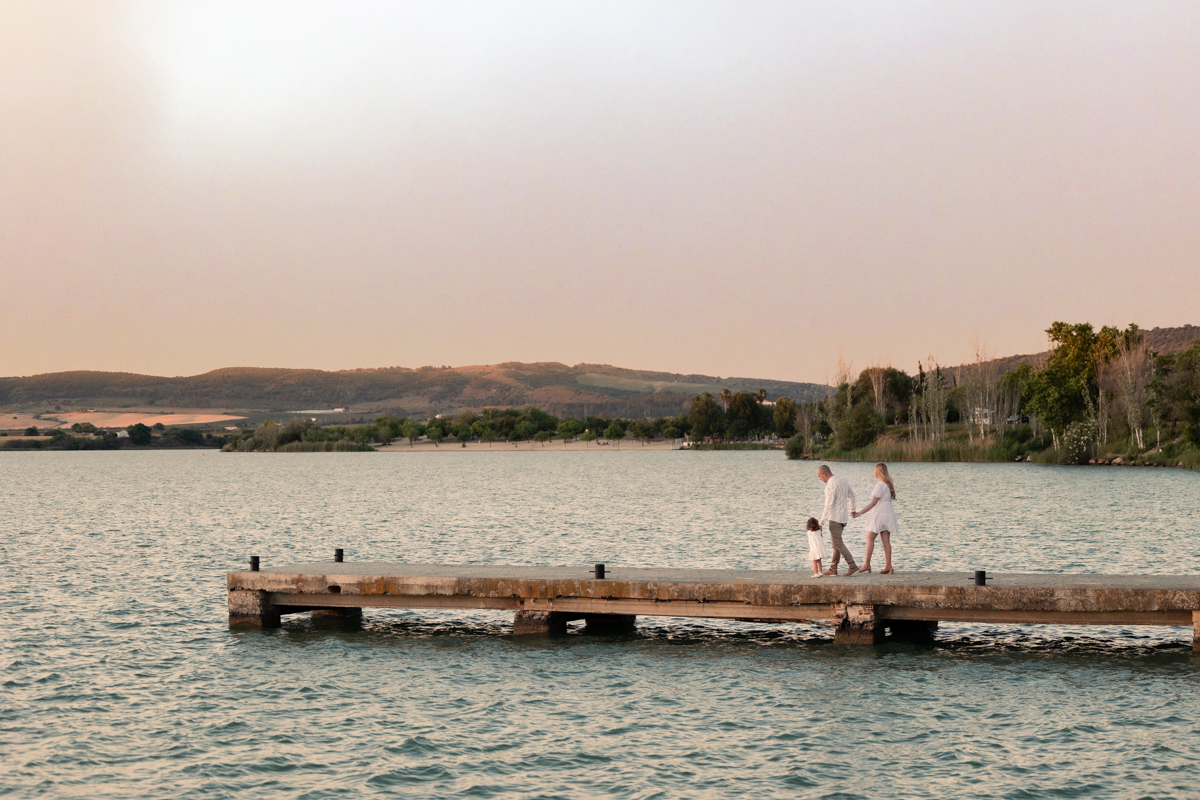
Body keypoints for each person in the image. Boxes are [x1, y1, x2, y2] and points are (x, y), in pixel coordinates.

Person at [852, 463, 898, 574]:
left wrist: (859, 513)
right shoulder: (888, 486)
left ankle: (867, 564)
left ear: (877, 472)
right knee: (886, 541)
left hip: (879, 513)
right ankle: (888, 566)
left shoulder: (880, 486)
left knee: (869, 538)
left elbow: (873, 503)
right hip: (888, 513)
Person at [817, 464, 859, 576]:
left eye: (819, 476)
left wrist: (820, 523)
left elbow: (828, 506)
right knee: (835, 543)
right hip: (843, 518)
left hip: (835, 518)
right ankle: (833, 568)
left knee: (837, 542)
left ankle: (852, 565)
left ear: (824, 474)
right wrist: (853, 509)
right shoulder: (843, 480)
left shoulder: (830, 486)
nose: (820, 479)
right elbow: (853, 496)